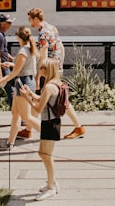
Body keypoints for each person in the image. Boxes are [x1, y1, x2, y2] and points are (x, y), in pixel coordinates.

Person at [28, 8, 85, 139]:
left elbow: (43, 57)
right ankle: (78, 127)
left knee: (46, 98)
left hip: (48, 71)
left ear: (36, 19)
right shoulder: (52, 28)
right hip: (56, 68)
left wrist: (38, 76)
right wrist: (60, 66)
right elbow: (61, 47)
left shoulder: (42, 34)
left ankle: (28, 129)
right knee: (61, 97)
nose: (29, 22)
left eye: (30, 19)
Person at [18, 57, 65, 201]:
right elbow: (42, 100)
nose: (40, 70)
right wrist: (31, 94)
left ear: (48, 70)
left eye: (42, 68)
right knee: (42, 154)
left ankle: (51, 187)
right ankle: (52, 182)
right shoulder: (53, 84)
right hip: (49, 122)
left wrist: (26, 98)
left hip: (50, 124)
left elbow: (37, 109)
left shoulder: (50, 87)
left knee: (47, 156)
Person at [0, 25, 39, 150]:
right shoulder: (29, 48)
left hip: (23, 84)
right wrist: (12, 63)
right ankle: (10, 142)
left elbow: (14, 74)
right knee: (16, 113)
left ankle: (49, 134)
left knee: (26, 116)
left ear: (18, 37)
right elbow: (22, 67)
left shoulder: (23, 52)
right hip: (26, 82)